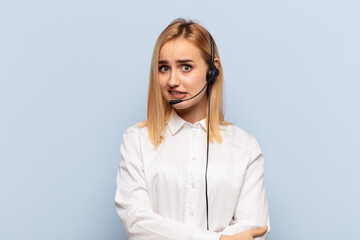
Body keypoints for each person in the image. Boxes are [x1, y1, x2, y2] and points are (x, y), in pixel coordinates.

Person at [114, 18, 270, 240]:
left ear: (212, 71)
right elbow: (137, 222)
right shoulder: (137, 140)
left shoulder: (244, 146)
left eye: (185, 67)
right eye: (164, 68)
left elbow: (254, 229)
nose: (172, 80)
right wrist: (218, 239)